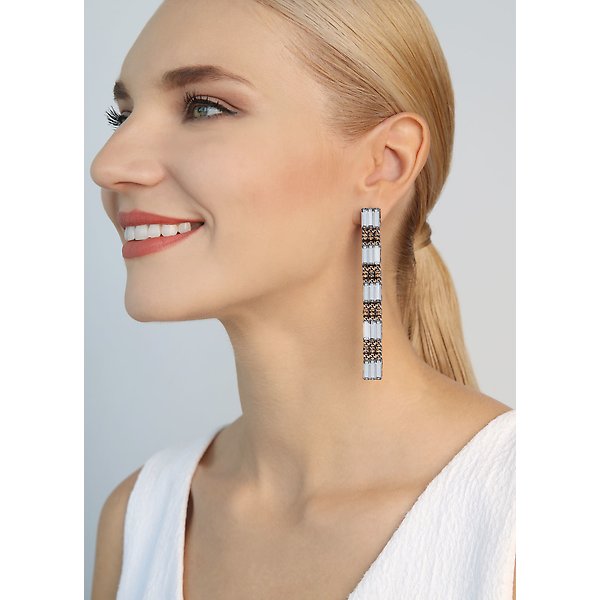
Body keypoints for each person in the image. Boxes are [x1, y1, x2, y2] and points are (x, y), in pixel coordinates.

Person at [89, 0, 515, 598]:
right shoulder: (141, 518)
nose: (108, 165)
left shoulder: (525, 518)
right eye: (122, 115)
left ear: (385, 164)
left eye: (204, 107)